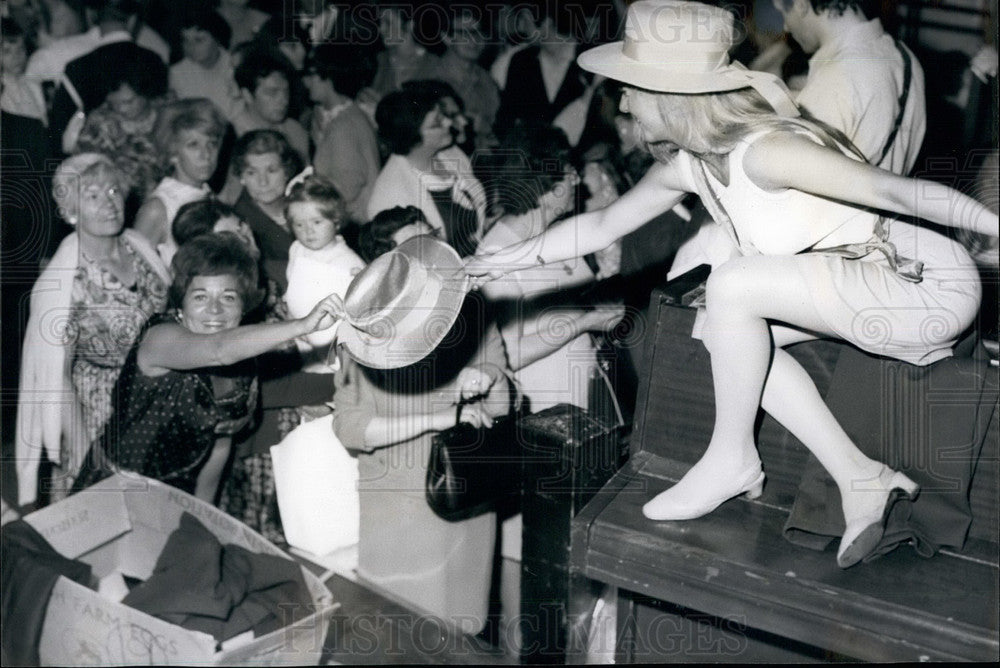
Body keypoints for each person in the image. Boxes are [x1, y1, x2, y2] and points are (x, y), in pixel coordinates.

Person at [466, 0, 998, 569]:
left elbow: (896, 192)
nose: (620, 102)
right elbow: (601, 224)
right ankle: (860, 477)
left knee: (732, 285)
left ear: (669, 94)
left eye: (629, 88)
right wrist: (499, 261)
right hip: (863, 286)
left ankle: (731, 457)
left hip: (924, 285)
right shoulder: (690, 164)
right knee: (718, 327)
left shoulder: (768, 151)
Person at [332, 233, 516, 635]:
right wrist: (437, 419)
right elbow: (349, 428)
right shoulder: (364, 338)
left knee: (463, 632)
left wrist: (489, 378)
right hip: (397, 507)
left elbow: (503, 410)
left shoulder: (474, 316)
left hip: (463, 498)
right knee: (399, 634)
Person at [71, 233, 343, 502]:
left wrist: (202, 514)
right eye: (200, 297)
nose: (215, 310)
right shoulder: (160, 337)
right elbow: (218, 349)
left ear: (244, 305)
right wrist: (303, 326)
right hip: (112, 489)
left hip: (172, 497)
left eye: (228, 297)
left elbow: (219, 446)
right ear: (182, 301)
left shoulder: (243, 362)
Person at [15, 153, 170, 508]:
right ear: (71, 210)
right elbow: (58, 376)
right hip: (100, 416)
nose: (109, 203)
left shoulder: (140, 247)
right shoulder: (64, 279)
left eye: (114, 191)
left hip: (156, 404)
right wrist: (88, 457)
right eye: (93, 195)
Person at [772, 0, 926, 175]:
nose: (786, 27)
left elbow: (794, 172)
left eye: (783, 11)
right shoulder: (907, 58)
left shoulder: (833, 78)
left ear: (801, 4)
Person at [368, 86, 486, 258]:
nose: (448, 122)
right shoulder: (388, 197)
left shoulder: (452, 154)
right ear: (412, 138)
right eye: (437, 123)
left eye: (443, 116)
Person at [283, 171, 366, 369]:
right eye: (299, 224)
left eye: (317, 222)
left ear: (336, 220)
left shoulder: (348, 263)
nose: (308, 231)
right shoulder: (297, 248)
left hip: (334, 347)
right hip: (301, 336)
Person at [134, 97, 225, 268]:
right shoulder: (158, 208)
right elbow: (138, 273)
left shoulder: (208, 195)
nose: (206, 154)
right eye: (193, 145)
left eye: (212, 144)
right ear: (172, 153)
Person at [72, 49, 169, 204]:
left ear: (147, 92)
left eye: (128, 102)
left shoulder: (168, 111)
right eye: (113, 103)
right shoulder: (100, 123)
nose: (121, 109)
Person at [303, 43, 381, 223]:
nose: (306, 82)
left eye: (312, 75)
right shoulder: (349, 114)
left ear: (328, 77)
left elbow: (347, 186)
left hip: (356, 223)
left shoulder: (344, 126)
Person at [414, 5, 499, 148]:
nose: (474, 40)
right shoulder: (431, 80)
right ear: (446, 37)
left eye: (479, 32)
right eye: (465, 33)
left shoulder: (486, 79)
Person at [230, 129, 303, 294]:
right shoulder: (239, 225)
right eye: (252, 172)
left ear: (287, 171)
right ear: (241, 177)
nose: (263, 182)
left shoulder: (305, 204)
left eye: (271, 170)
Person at [231, 48, 309, 163]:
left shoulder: (296, 132)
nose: (284, 100)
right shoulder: (231, 138)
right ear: (247, 95)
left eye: (286, 92)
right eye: (272, 93)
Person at [168, 7, 242, 123]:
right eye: (185, 40)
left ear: (217, 39)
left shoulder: (237, 66)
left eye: (199, 40)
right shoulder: (176, 73)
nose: (191, 47)